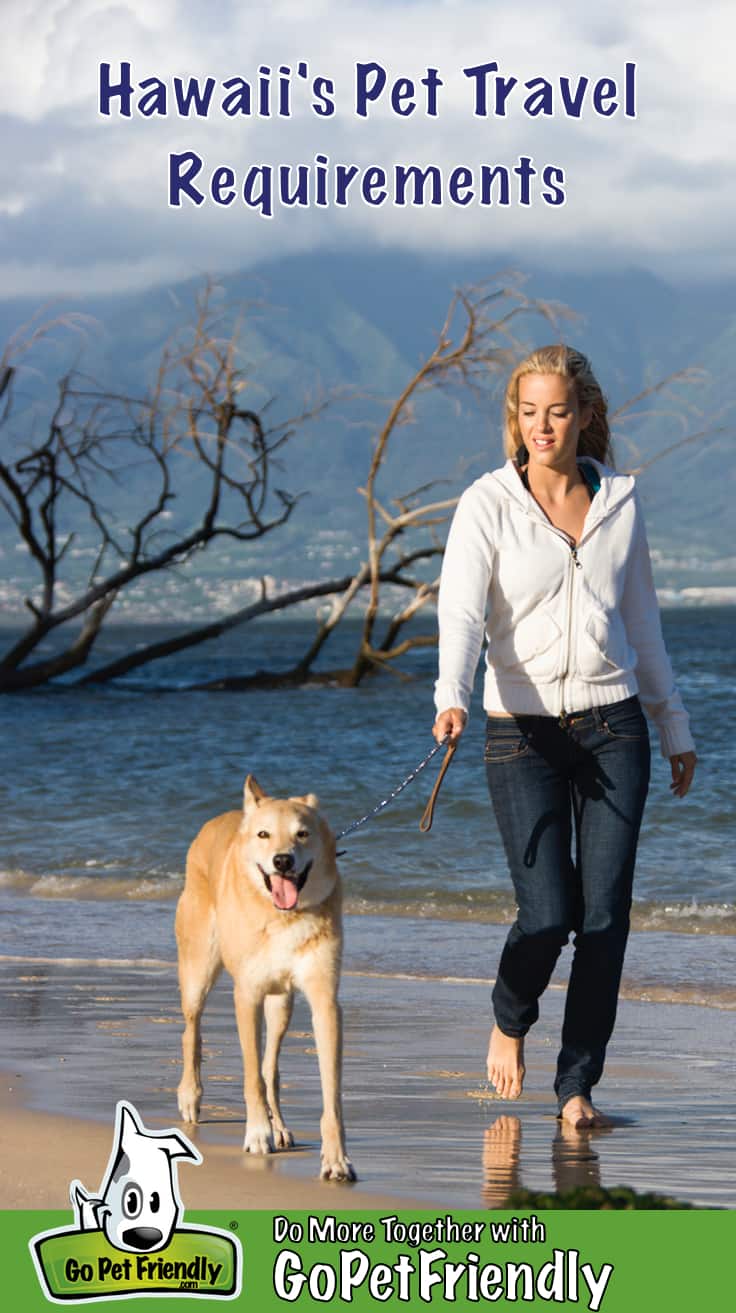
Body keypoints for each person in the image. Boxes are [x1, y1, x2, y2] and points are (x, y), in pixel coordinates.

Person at [432, 344, 697, 1129]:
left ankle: (576, 1085)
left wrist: (672, 722)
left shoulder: (621, 501)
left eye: (557, 410)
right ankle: (512, 1014)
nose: (542, 425)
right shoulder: (487, 504)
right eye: (528, 411)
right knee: (548, 912)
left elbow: (642, 621)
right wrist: (451, 695)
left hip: (615, 725)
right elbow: (462, 611)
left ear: (583, 414)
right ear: (514, 419)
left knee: (606, 917)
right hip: (521, 733)